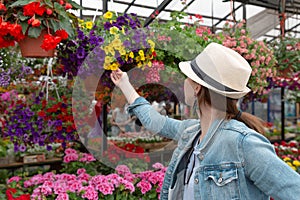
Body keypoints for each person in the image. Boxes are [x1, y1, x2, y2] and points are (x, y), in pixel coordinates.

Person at [110, 42, 300, 200]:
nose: (183, 81)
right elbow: (155, 122)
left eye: (187, 77)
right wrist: (125, 85)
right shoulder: (192, 131)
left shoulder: (244, 144)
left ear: (197, 88)